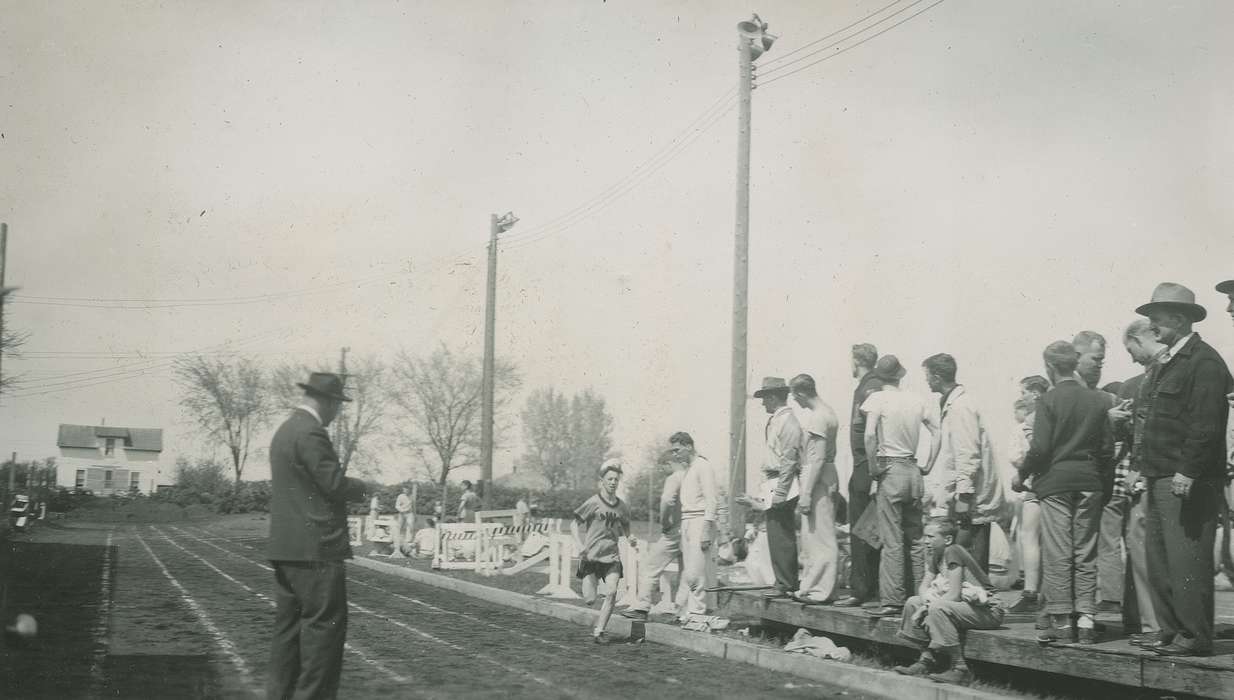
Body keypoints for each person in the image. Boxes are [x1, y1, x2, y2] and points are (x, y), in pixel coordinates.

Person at [1134, 282, 1232, 656]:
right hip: (1160, 474)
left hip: (1185, 478)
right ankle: (1170, 629)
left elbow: (1205, 424)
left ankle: (1193, 636)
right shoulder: (1169, 361)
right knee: (1161, 560)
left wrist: (1188, 470)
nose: (1151, 327)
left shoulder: (1204, 362)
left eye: (1156, 320)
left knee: (1186, 558)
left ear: (1178, 319)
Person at [266, 372, 368, 700]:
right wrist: (363, 488)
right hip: (317, 551)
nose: (337, 413)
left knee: (287, 636)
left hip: (286, 549)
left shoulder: (285, 431)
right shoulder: (311, 432)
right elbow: (333, 483)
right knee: (323, 639)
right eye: (337, 405)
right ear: (326, 401)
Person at [1019, 341, 1114, 645]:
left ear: (1049, 367)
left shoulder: (1047, 401)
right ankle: (1086, 620)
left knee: (1059, 551)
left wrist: (1021, 475)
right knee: (1085, 551)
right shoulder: (1098, 400)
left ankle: (1062, 623)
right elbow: (1106, 451)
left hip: (1056, 485)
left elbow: (1041, 449)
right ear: (1074, 364)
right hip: (1090, 482)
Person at [861, 355, 942, 618]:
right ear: (900, 375)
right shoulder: (917, 400)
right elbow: (937, 432)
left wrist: (873, 467)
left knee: (892, 539)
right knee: (917, 538)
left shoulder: (877, 399)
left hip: (890, 468)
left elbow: (870, 434)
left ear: (879, 377)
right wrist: (928, 464)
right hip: (913, 469)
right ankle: (920, 594)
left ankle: (893, 600)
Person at [1109, 319, 1166, 644]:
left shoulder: (1141, 382)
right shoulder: (1134, 385)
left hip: (1148, 474)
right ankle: (1149, 621)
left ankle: (1151, 624)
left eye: (1129, 349)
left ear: (1137, 339)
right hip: (1152, 474)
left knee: (1142, 547)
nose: (1130, 357)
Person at [893, 519, 1004, 685]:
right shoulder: (937, 555)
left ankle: (960, 668)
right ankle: (927, 660)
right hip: (967, 607)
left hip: (989, 609)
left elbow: (954, 595)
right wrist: (924, 605)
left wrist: (927, 607)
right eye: (925, 536)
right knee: (912, 602)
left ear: (947, 540)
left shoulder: (953, 551)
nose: (926, 541)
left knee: (937, 607)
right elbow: (923, 588)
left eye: (931, 537)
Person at [923, 353, 1004, 574]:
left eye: (928, 376)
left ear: (937, 377)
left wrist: (964, 498)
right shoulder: (954, 404)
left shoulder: (960, 407)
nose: (926, 381)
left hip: (970, 498)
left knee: (970, 558)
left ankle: (975, 603)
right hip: (964, 495)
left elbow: (968, 454)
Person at [1073, 330, 1127, 616]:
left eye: (1102, 361)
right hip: (1077, 483)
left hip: (1097, 484)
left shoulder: (1104, 397)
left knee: (1089, 546)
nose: (1099, 365)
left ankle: (1085, 609)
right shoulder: (1070, 394)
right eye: (1096, 359)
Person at [835, 343, 884, 609]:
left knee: (863, 532)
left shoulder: (870, 387)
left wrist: (873, 472)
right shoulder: (869, 385)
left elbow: (873, 432)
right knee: (869, 531)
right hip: (864, 467)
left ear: (857, 360)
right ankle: (869, 588)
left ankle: (862, 589)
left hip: (867, 468)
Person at [751, 376, 804, 599]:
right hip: (773, 479)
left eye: (765, 398)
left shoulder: (788, 422)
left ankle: (786, 582)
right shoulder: (777, 420)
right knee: (775, 532)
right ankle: (783, 580)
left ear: (773, 397)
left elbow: (789, 460)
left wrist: (782, 491)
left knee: (781, 533)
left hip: (782, 480)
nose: (763, 403)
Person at [789, 373, 840, 604]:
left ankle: (821, 590)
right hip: (821, 474)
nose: (795, 402)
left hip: (818, 475)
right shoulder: (827, 412)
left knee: (822, 536)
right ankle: (812, 587)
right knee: (813, 536)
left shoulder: (819, 417)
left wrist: (807, 492)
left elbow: (818, 458)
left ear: (801, 393)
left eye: (794, 396)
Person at [621, 449, 688, 622]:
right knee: (686, 572)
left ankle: (642, 607)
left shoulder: (673, 478)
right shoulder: (691, 475)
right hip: (690, 529)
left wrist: (665, 521)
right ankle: (682, 612)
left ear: (668, 464)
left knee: (649, 566)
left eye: (662, 468)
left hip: (674, 530)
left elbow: (667, 500)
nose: (662, 472)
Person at [572, 459, 631, 644]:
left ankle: (599, 631)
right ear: (602, 481)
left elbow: (627, 526)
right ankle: (590, 589)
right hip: (592, 556)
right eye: (610, 479)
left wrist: (631, 537)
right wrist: (579, 544)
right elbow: (574, 524)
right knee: (590, 599)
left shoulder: (622, 506)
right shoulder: (593, 502)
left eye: (616, 479)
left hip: (612, 556)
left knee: (612, 591)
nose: (613, 482)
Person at [1008, 377, 1049, 614]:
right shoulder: (1055, 414)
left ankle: (1031, 592)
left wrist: (1022, 475)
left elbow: (1032, 454)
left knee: (1029, 536)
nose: (1021, 397)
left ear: (1035, 393)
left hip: (1036, 482)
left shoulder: (1032, 420)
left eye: (1024, 392)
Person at [678, 437, 718, 621]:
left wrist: (706, 529)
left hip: (699, 521)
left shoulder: (703, 466)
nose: (675, 454)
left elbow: (711, 499)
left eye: (677, 450)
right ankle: (693, 611)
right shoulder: (688, 469)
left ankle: (698, 612)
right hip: (687, 521)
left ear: (688, 446)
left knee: (697, 572)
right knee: (690, 572)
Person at [394, 485, 414, 557]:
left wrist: (414, 513)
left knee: (410, 526)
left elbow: (413, 505)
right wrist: (402, 510)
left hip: (409, 513)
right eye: (405, 489)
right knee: (400, 527)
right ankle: (399, 539)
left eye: (407, 490)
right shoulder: (400, 496)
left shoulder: (411, 496)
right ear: (403, 490)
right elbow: (397, 506)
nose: (406, 491)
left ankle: (408, 540)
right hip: (402, 513)